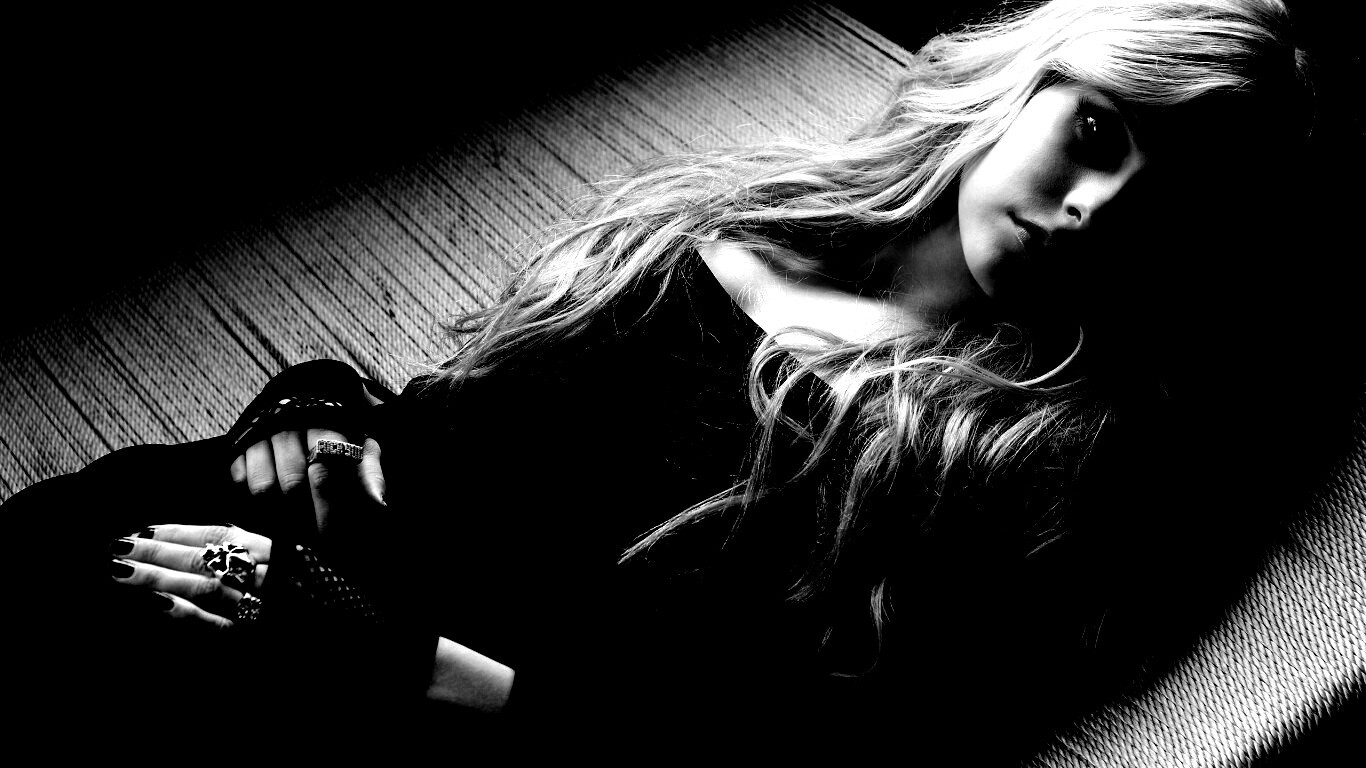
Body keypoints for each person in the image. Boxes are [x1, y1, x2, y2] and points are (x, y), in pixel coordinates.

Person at [10, 0, 1344, 760]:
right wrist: (307, 417)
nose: (1095, 206)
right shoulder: (735, 216)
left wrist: (376, 652)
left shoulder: (1011, 463)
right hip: (216, 536)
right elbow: (445, 415)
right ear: (1026, 85)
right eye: (1096, 129)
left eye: (1165, 206)